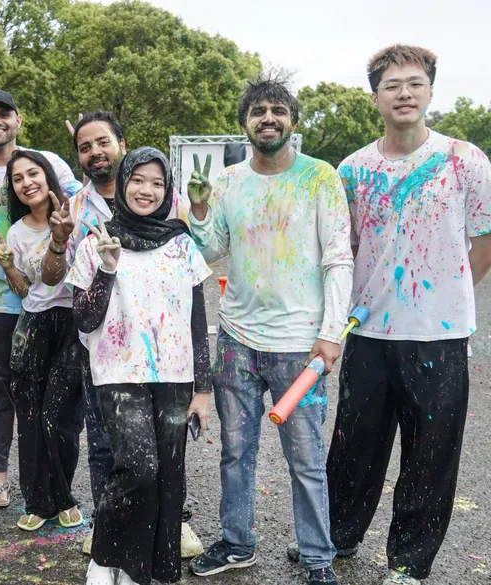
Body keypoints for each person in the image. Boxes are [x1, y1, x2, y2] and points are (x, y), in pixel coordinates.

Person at [321, 45, 491, 585]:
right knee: (353, 446)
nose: (404, 93)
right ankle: (336, 538)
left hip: (440, 339)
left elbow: (485, 241)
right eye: (392, 85)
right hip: (367, 331)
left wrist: (447, 296)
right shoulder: (352, 169)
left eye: (415, 83)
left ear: (430, 91)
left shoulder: (465, 160)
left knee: (430, 457)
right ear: (376, 96)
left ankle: (408, 564)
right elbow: (341, 248)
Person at [186, 77, 353, 585]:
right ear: (245, 123)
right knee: (237, 451)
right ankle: (238, 544)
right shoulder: (230, 182)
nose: (268, 118)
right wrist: (198, 210)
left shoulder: (320, 177)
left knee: (305, 459)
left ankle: (317, 557)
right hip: (236, 338)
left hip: (299, 346)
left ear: (292, 121)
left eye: (278, 110)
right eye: (258, 110)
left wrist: (331, 334)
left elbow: (338, 258)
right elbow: (213, 249)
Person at [41, 111, 203, 558]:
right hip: (103, 349)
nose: (94, 152)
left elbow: (191, 279)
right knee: (105, 444)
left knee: (162, 451)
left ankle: (171, 526)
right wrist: (59, 242)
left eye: (102, 142)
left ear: (122, 145)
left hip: (162, 356)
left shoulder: (169, 205)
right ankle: (106, 526)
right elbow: (59, 277)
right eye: (84, 146)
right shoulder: (74, 206)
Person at [0, 89, 82, 508]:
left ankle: (52, 486)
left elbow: (87, 202)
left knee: (55, 398)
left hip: (56, 301)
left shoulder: (48, 163)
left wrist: (85, 145)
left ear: (18, 119)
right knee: (1, 392)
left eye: (4, 113)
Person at [0, 150, 84, 531]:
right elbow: (28, 288)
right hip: (32, 326)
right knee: (29, 416)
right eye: (18, 179)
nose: (27, 182)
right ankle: (36, 501)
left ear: (48, 176)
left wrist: (60, 237)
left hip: (72, 325)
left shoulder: (75, 215)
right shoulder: (16, 231)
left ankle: (63, 497)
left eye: (33, 174)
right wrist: (8, 265)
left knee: (59, 418)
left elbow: (57, 278)